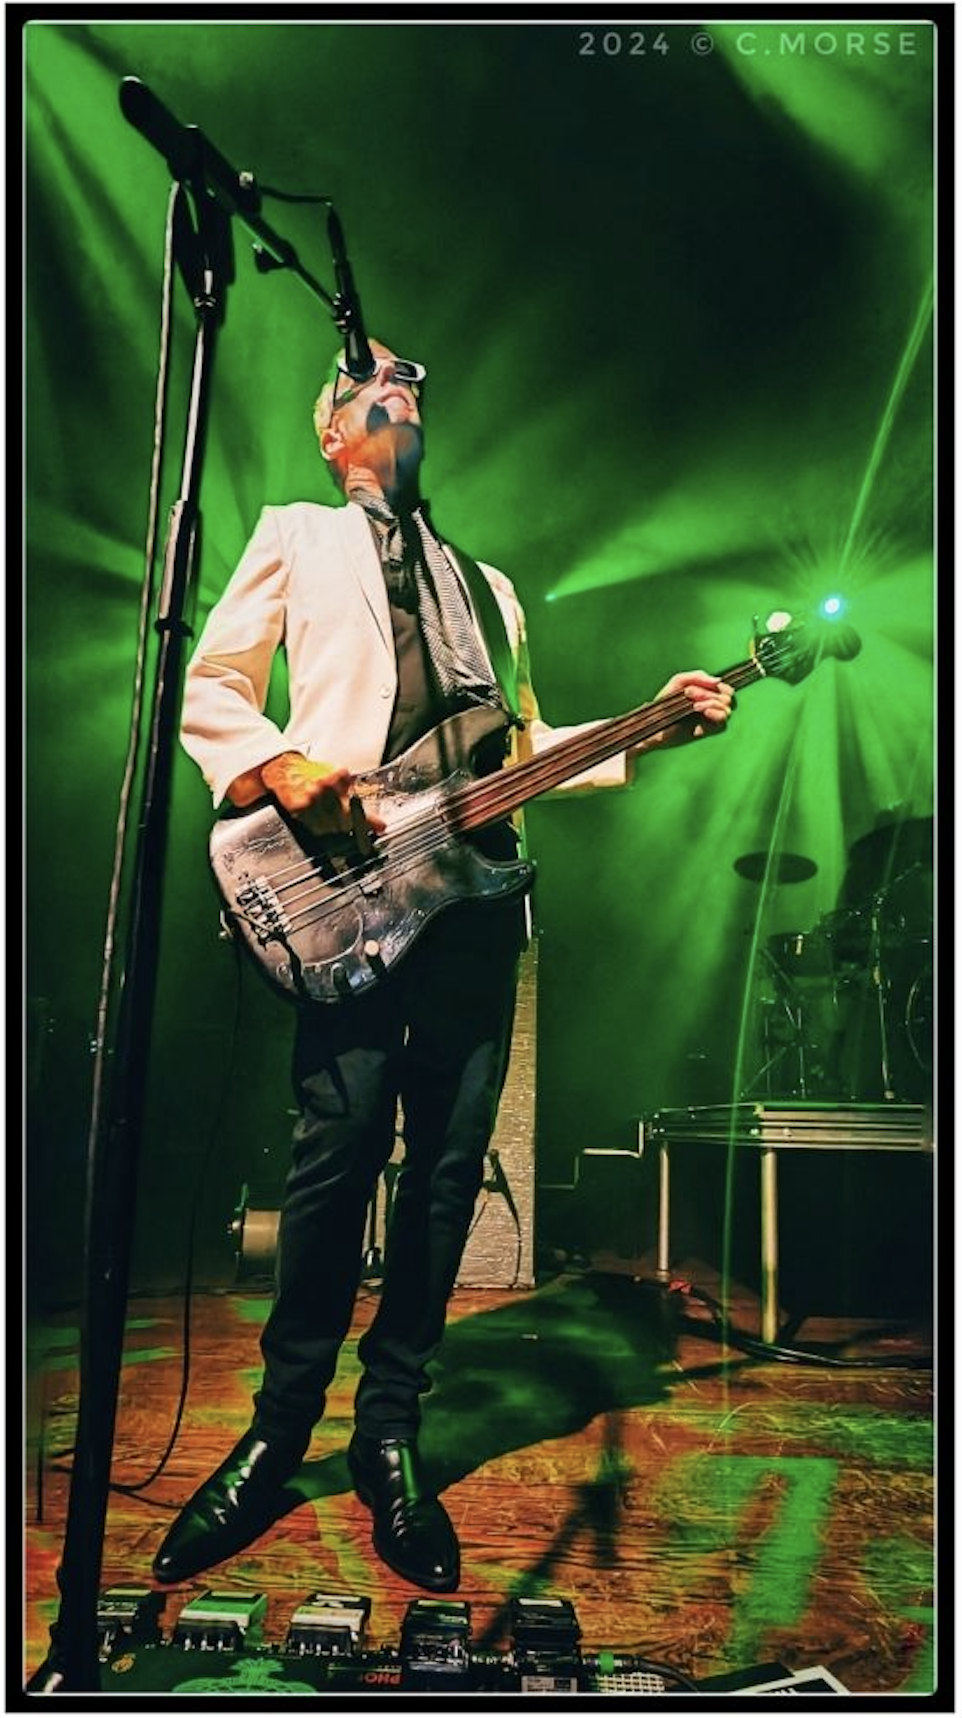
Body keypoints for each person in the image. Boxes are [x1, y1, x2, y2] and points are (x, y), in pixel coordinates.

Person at [152, 339, 734, 1593]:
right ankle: (279, 1428)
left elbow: (518, 749)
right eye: (371, 377)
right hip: (345, 885)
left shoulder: (489, 586)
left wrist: (651, 724)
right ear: (333, 431)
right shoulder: (297, 534)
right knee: (335, 1157)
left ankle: (389, 1429)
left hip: (472, 902)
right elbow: (212, 683)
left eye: (411, 377)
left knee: (447, 1169)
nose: (398, 383)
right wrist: (280, 767)